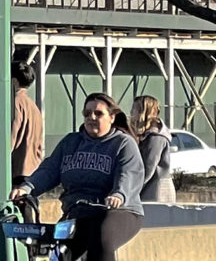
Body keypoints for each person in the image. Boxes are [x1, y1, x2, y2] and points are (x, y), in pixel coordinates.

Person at [14, 91, 148, 261]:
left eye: (98, 113)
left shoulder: (123, 143)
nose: (91, 117)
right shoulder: (71, 142)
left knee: (100, 240)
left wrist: (118, 194)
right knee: (59, 253)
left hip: (117, 211)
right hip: (78, 211)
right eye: (87, 113)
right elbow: (49, 170)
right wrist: (27, 188)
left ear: (112, 117)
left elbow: (128, 174)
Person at [129, 96, 178, 207]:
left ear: (144, 111)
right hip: (150, 187)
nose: (131, 112)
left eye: (134, 108)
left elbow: (148, 168)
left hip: (156, 189)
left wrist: (131, 190)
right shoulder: (147, 135)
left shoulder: (156, 137)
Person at [13, 51, 46, 201]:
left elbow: (12, 135)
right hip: (33, 167)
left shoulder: (15, 103)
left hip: (18, 168)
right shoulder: (33, 106)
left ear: (14, 81)